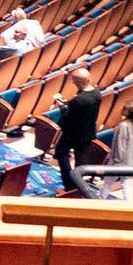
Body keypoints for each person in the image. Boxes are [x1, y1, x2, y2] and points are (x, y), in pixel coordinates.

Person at [52, 67, 102, 197]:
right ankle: (79, 186)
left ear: (78, 81)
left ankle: (69, 184)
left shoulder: (78, 100)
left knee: (61, 154)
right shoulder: (97, 94)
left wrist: (62, 107)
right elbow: (81, 108)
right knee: (81, 162)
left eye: (74, 80)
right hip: (88, 132)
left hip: (72, 134)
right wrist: (69, 104)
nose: (73, 82)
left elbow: (69, 118)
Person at [103, 103, 133, 200]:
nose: (122, 109)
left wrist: (115, 160)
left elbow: (119, 145)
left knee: (116, 183)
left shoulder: (123, 126)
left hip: (121, 161)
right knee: (126, 183)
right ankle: (102, 197)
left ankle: (102, 199)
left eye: (124, 109)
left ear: (128, 112)